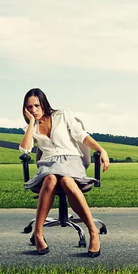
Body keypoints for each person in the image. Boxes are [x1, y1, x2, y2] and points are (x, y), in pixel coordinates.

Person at [18, 88, 110, 257]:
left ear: (43, 103)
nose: (34, 110)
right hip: (48, 164)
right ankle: (38, 234)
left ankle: (93, 233)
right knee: (51, 179)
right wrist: (32, 123)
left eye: (36, 106)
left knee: (66, 181)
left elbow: (81, 136)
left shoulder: (62, 114)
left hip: (71, 161)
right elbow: (25, 149)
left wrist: (101, 150)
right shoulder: (31, 127)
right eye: (29, 107)